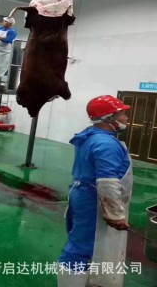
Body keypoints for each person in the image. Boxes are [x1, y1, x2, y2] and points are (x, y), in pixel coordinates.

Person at [58, 95, 132, 287]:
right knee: (81, 247)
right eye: (122, 114)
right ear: (109, 118)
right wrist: (115, 215)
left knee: (82, 241)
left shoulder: (91, 135)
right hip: (92, 199)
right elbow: (107, 182)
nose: (126, 118)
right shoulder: (106, 144)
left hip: (81, 193)